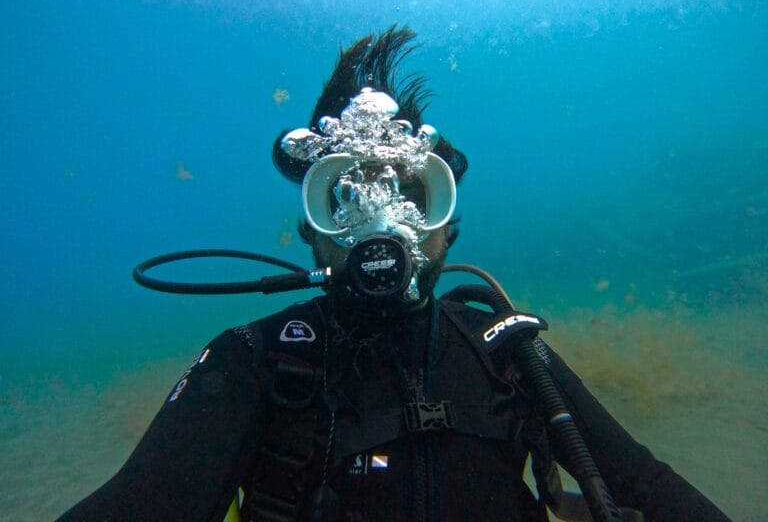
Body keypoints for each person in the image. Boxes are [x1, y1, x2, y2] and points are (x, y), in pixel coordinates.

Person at [55, 26, 730, 522]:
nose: (381, 221)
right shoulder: (255, 363)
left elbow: (641, 482)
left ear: (448, 224)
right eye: (342, 195)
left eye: (414, 192)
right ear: (313, 232)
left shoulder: (507, 350)